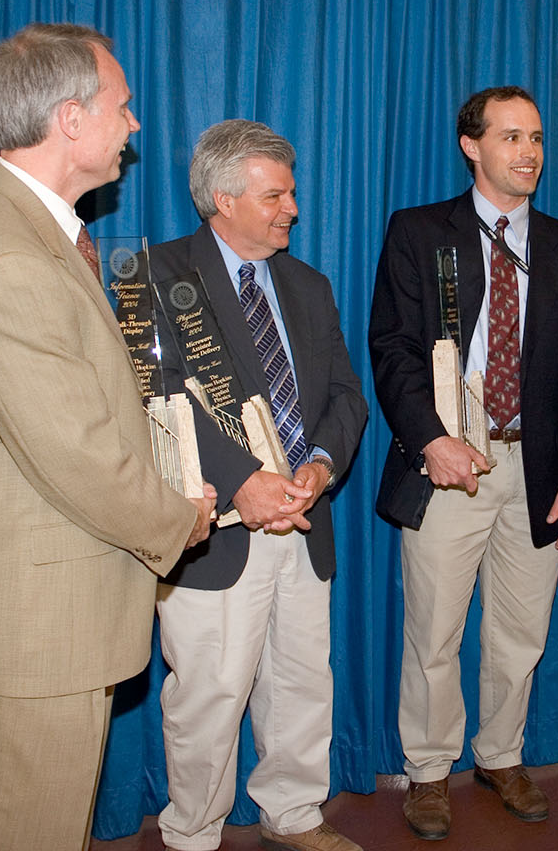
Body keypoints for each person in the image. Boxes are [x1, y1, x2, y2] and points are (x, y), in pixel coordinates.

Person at [0, 23, 216, 851]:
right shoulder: (11, 259)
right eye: (122, 106)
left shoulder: (34, 234)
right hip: (28, 633)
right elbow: (77, 456)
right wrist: (178, 518)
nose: (136, 125)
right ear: (72, 119)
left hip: (39, 621)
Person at [369, 86, 558, 840]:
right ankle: (431, 770)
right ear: (472, 145)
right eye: (511, 137)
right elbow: (392, 350)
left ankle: (502, 756)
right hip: (447, 465)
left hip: (535, 472)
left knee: (521, 631)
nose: (529, 152)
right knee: (434, 631)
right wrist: (431, 440)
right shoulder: (418, 232)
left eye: (536, 137)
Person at [147, 120, 368, 851]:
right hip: (219, 534)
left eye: (292, 193)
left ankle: (294, 814)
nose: (293, 209)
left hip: (306, 524)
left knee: (303, 681)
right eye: (276, 195)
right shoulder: (155, 276)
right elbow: (155, 397)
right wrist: (244, 482)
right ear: (223, 198)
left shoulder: (308, 285)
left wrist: (320, 466)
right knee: (208, 696)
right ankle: (193, 834)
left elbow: (346, 395)